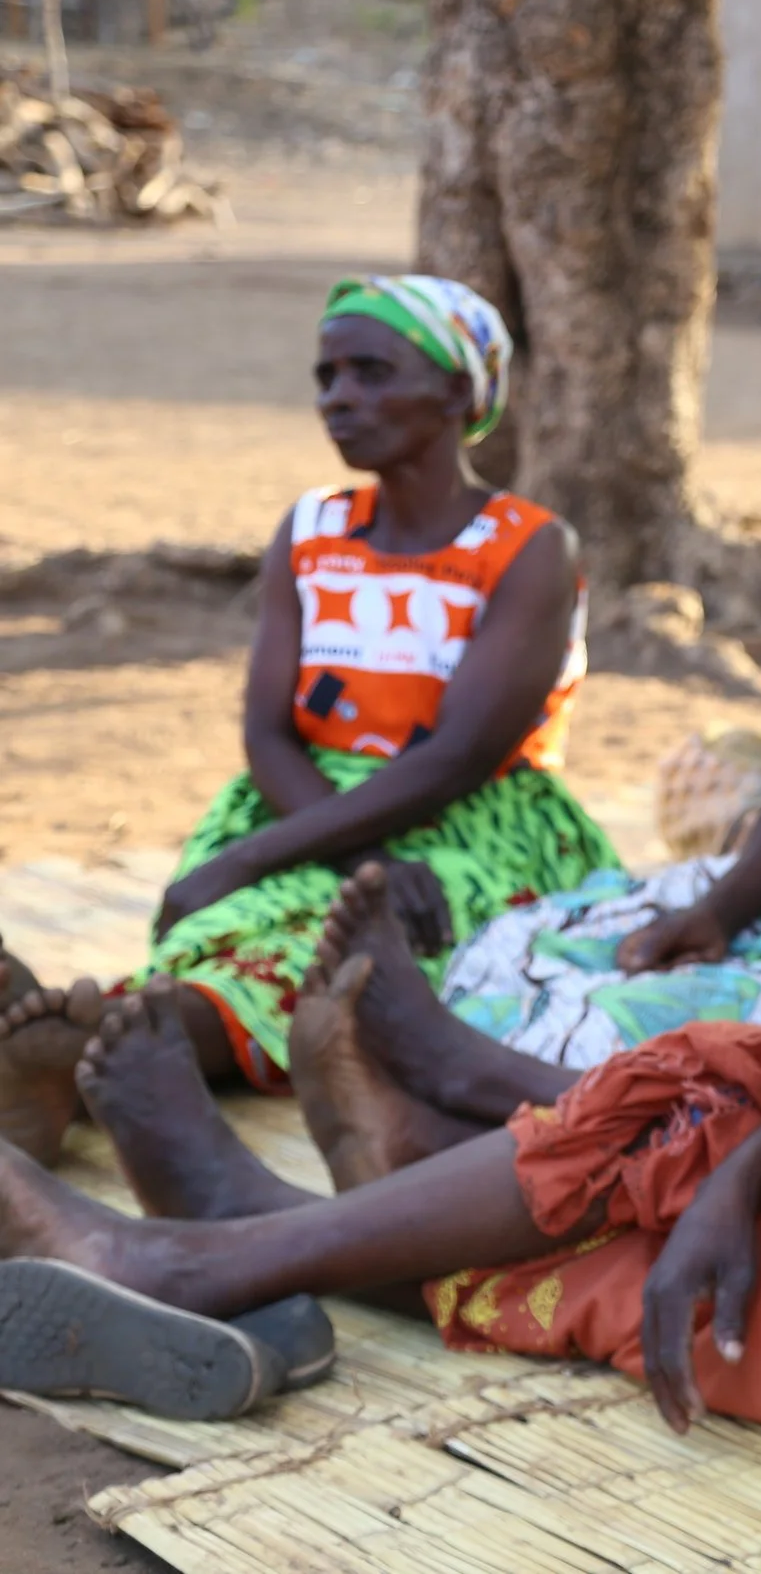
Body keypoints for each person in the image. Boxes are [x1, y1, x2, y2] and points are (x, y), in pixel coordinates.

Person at [0, 272, 761, 1529]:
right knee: (716, 1093)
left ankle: (221, 1239)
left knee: (662, 1263)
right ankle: (252, 1233)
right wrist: (750, 1175)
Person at [0, 276, 613, 1135]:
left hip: (473, 817)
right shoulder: (312, 528)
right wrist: (337, 851)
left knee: (338, 949)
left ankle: (96, 1043)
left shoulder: (529, 547)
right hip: (302, 794)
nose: (340, 398)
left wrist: (252, 858)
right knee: (238, 924)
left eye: (371, 371)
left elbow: (460, 754)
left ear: (457, 391)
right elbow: (267, 728)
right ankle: (98, 1044)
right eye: (327, 377)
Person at [428, 297, 761, 1071]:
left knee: (610, 1032)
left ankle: (473, 1101)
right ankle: (471, 1092)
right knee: (503, 948)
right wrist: (717, 913)